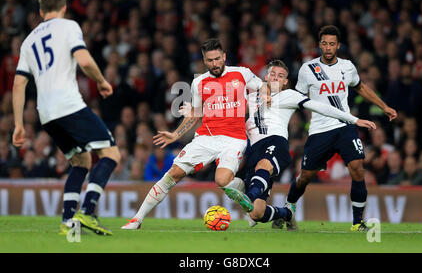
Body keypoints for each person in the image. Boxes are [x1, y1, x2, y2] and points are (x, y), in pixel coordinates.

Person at [121, 38, 265, 229]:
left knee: (222, 180)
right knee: (173, 174)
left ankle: (243, 196)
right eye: (210, 60)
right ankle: (137, 219)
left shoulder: (242, 73)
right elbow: (195, 113)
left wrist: (265, 96)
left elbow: (262, 86)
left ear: (224, 57)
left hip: (234, 139)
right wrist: (176, 134)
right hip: (205, 138)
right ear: (204, 61)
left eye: (217, 59)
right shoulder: (199, 82)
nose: (215, 64)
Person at [12, 0, 120, 236]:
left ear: (40, 12)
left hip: (46, 114)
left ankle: (68, 223)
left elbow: (19, 83)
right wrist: (102, 81)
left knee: (80, 161)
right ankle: (88, 211)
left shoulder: (28, 40)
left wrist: (19, 124)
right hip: (68, 104)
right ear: (63, 8)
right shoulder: (68, 26)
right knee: (111, 153)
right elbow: (83, 60)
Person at [285, 25, 398, 232]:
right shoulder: (307, 69)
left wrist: (384, 107)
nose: (328, 48)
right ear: (320, 45)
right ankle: (289, 206)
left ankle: (357, 222)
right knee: (305, 177)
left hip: (345, 126)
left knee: (357, 168)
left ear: (338, 45)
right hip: (319, 130)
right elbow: (297, 99)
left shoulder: (347, 67)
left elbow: (361, 87)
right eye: (324, 43)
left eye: (332, 44)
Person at [244, 60, 376, 228]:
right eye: (273, 74)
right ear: (266, 76)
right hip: (254, 148)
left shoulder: (290, 95)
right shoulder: (251, 94)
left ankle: (248, 195)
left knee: (263, 167)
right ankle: (286, 213)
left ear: (286, 82)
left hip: (276, 143)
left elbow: (322, 107)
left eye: (281, 76)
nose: (276, 78)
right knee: (257, 213)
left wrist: (353, 119)